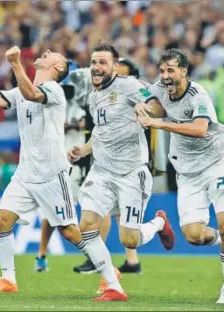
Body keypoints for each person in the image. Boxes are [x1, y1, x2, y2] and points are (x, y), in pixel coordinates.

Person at [0, 46, 128, 301]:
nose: (48, 51)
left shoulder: (54, 91)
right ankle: (8, 279)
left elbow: (31, 93)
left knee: (70, 232)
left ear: (58, 68)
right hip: (25, 174)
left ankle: (111, 278)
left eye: (54, 54)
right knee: (2, 220)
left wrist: (15, 63)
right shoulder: (21, 91)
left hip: (52, 175)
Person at [67, 44, 176, 298]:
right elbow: (100, 132)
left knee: (130, 240)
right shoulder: (94, 96)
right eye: (94, 62)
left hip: (130, 172)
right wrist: (83, 150)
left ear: (115, 67)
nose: (96, 66)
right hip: (102, 172)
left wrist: (145, 109)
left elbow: (158, 107)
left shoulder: (128, 85)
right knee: (87, 226)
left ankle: (159, 222)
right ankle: (113, 286)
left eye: (103, 62)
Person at [35, 58, 147, 275]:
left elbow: (106, 123)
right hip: (69, 155)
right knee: (56, 205)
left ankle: (99, 258)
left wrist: (76, 125)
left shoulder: (108, 94)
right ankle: (44, 255)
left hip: (95, 156)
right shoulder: (68, 94)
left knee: (102, 206)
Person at [136, 48, 224, 304]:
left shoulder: (198, 95)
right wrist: (141, 103)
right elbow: (144, 92)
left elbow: (199, 129)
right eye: (162, 70)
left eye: (171, 70)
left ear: (183, 72)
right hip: (187, 171)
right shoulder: (161, 87)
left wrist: (159, 123)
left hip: (217, 162)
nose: (165, 76)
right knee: (194, 236)